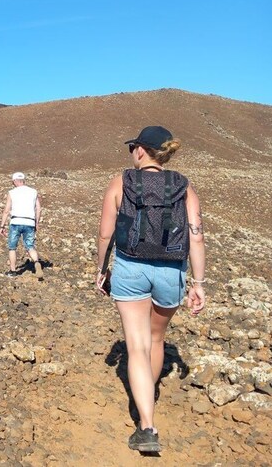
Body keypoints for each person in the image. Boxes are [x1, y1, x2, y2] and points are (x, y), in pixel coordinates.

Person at [95, 126, 206, 453]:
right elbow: (196, 235)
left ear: (141, 150)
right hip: (172, 271)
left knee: (137, 346)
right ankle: (149, 396)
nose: (132, 152)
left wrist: (101, 270)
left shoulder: (121, 182)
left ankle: (146, 424)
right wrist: (198, 284)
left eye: (134, 147)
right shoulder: (183, 187)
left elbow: (105, 234)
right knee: (156, 339)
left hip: (130, 268)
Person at [0, 172, 43, 279]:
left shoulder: (12, 192)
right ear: (23, 180)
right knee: (30, 246)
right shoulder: (33, 191)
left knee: (12, 247)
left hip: (16, 222)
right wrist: (36, 222)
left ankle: (13, 271)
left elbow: (6, 210)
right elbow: (38, 208)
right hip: (29, 222)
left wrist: (2, 225)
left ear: (14, 181)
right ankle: (36, 262)